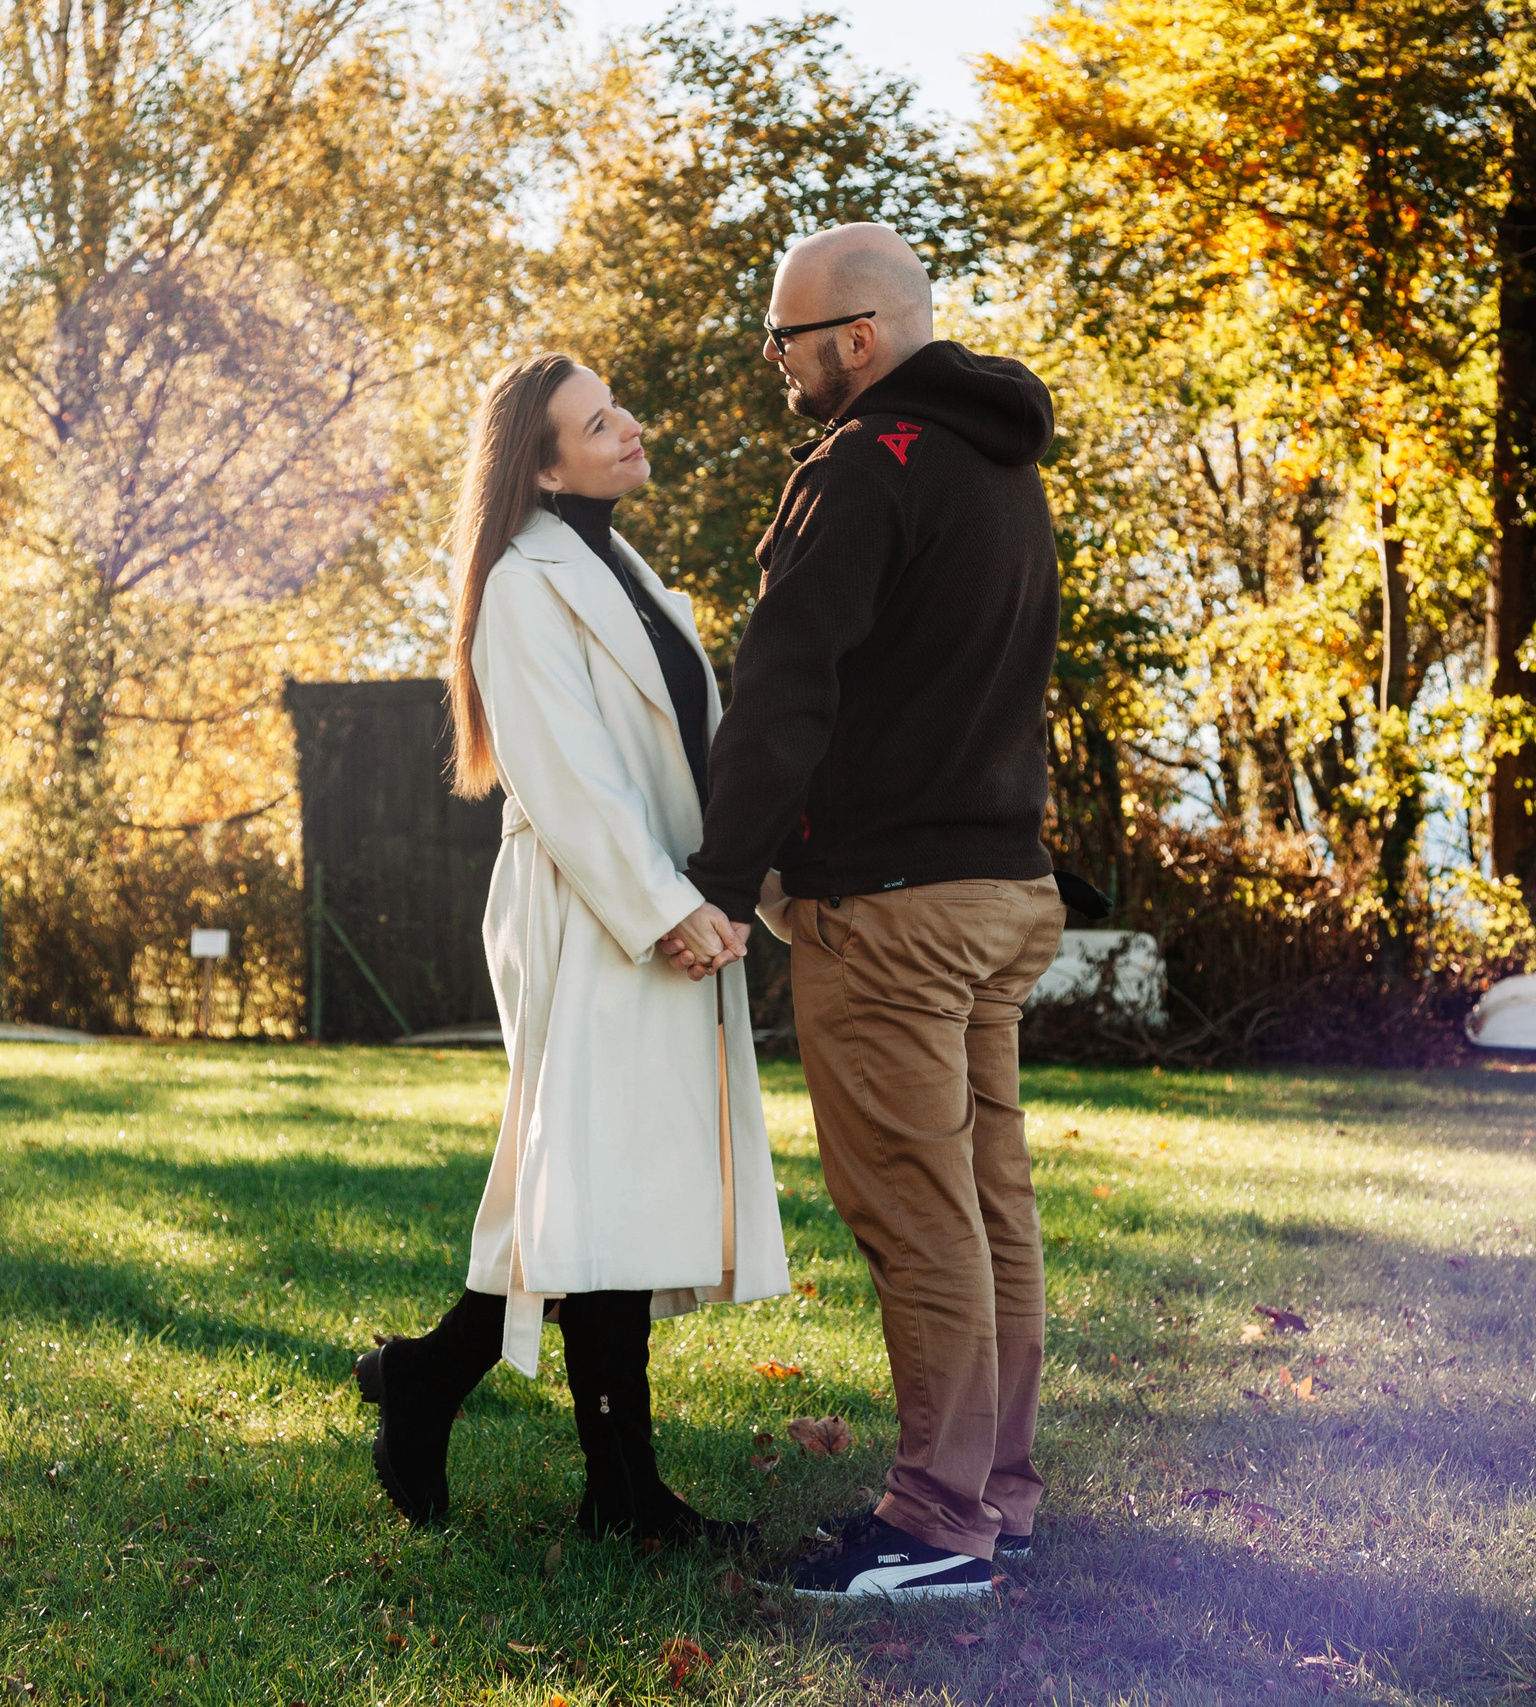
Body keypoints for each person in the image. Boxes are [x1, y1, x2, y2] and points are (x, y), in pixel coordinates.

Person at [667, 223, 1066, 1601]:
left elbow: (789, 686)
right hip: (1004, 887)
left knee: (916, 1209)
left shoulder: (861, 465)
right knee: (990, 1203)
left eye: (786, 338)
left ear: (857, 336)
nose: (777, 362)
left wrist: (721, 882)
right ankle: (1000, 1493)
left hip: (893, 910)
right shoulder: (1003, 465)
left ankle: (938, 1523)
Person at [354, 352, 790, 1545]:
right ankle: (620, 1491)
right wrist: (667, 909)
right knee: (600, 1181)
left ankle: (436, 1384)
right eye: (599, 424)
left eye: (617, 410)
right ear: (543, 468)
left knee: (605, 1184)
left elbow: (689, 753)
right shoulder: (521, 585)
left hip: (654, 896)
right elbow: (570, 778)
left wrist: (735, 886)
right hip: (589, 904)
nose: (629, 427)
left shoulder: (623, 570)